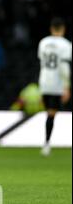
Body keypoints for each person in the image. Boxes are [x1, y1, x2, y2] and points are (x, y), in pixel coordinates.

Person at [37, 18, 71, 156]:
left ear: (51, 28)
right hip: (58, 84)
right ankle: (46, 144)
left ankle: (46, 143)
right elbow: (64, 66)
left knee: (50, 114)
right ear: (63, 29)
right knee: (52, 114)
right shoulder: (66, 45)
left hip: (44, 82)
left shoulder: (43, 42)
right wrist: (67, 86)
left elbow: (41, 62)